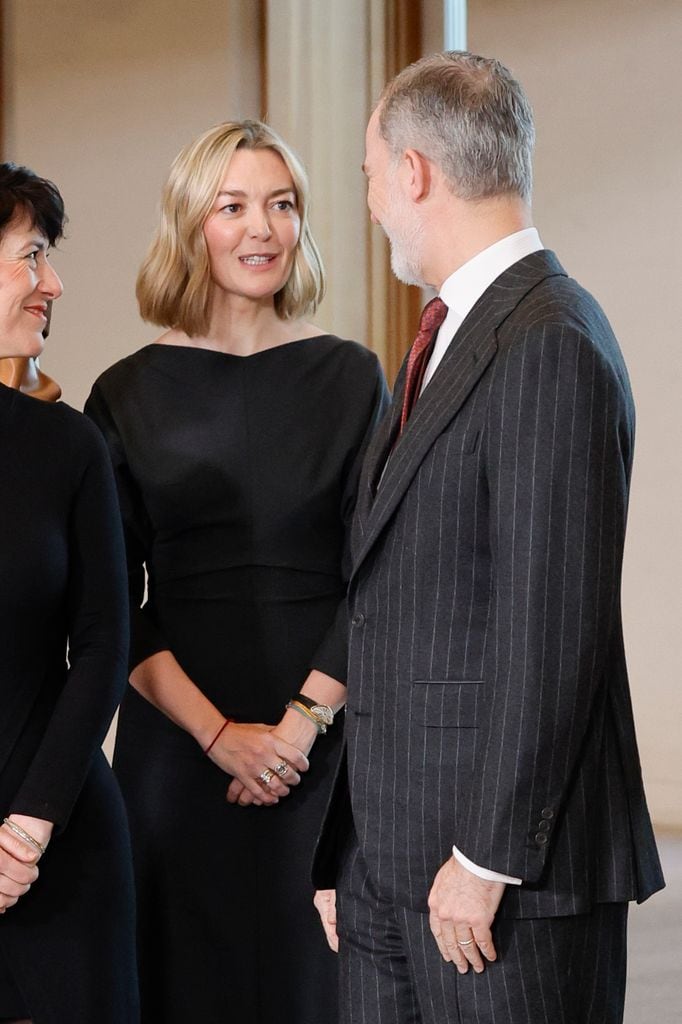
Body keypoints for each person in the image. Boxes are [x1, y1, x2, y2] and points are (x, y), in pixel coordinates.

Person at [312, 51, 665, 1024]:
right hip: (388, 868)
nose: (372, 204)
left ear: (414, 172)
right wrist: (349, 849)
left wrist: (485, 858)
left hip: (495, 885)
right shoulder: (449, 334)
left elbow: (552, 630)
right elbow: (395, 600)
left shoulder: (550, 341)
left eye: (370, 176)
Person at [85, 119, 388, 1024]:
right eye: (233, 206)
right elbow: (110, 602)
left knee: (321, 991)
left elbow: (378, 575)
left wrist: (297, 730)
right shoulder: (125, 392)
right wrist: (220, 736)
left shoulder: (353, 378)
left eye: (282, 204)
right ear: (192, 224)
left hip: (325, 747)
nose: (263, 228)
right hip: (179, 752)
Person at [0, 163, 139, 1023]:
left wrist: (27, 829)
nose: (52, 283)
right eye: (31, 256)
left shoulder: (68, 445)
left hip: (60, 839)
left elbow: (103, 643)